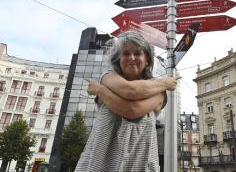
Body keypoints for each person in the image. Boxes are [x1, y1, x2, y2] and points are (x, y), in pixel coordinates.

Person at [75, 31, 177, 172]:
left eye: (137, 53)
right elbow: (129, 90)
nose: (132, 58)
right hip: (97, 166)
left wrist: (100, 91)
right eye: (126, 53)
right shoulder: (107, 78)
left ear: (147, 59)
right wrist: (165, 83)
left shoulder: (159, 93)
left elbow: (132, 109)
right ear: (118, 59)